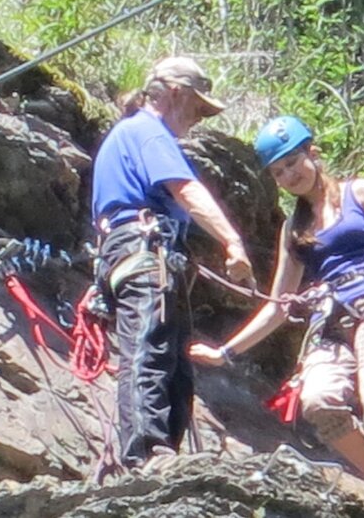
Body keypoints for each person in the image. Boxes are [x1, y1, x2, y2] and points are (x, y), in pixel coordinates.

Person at [190, 115, 364, 511]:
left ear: (312, 153)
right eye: (279, 171)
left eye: (293, 162)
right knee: (318, 401)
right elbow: (278, 306)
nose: (289, 175)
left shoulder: (359, 193)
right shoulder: (294, 229)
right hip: (330, 322)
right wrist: (226, 351)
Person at [91, 55, 255, 470]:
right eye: (198, 107)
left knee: (175, 368)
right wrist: (232, 241)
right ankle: (147, 453)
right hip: (143, 251)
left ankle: (164, 456)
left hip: (143, 252)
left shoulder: (130, 135)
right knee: (149, 349)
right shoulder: (148, 132)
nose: (199, 118)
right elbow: (187, 191)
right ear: (175, 93)